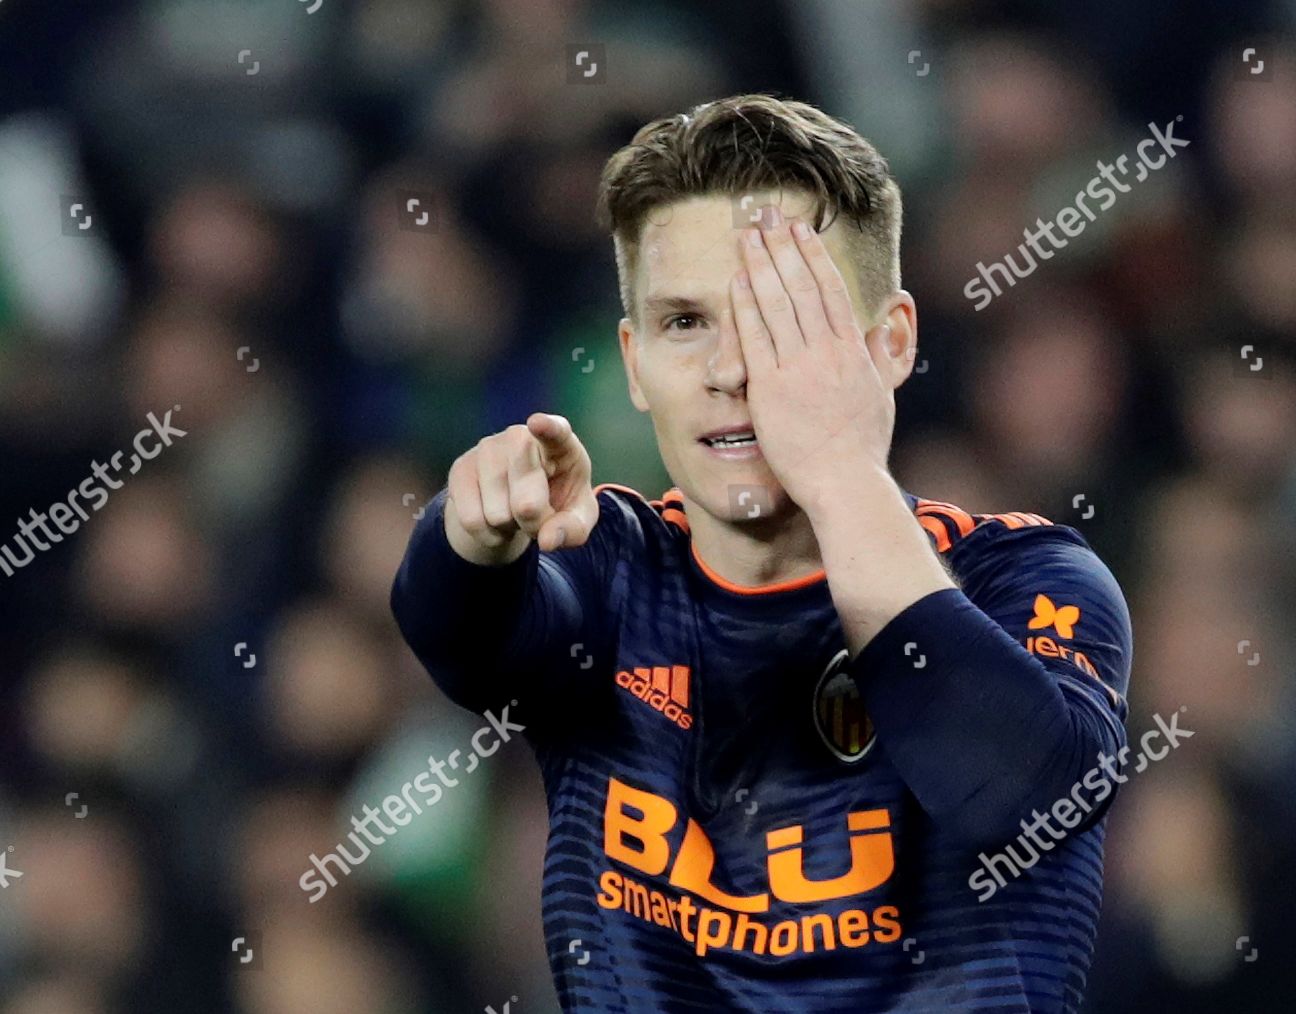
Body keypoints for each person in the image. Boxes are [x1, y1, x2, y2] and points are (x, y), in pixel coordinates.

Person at [391, 93, 1132, 1013]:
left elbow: (1014, 796)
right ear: (632, 361)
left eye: (780, 320)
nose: (730, 369)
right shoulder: (609, 569)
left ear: (890, 344)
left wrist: (837, 469)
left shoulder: (1026, 579)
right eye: (685, 323)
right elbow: (456, 633)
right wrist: (467, 531)